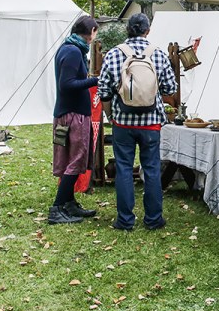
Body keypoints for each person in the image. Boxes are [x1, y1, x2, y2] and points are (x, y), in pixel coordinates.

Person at [96, 13, 178, 232]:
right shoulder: (158, 55)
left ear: (127, 30)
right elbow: (171, 89)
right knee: (151, 169)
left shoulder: (114, 54)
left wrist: (111, 116)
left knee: (123, 168)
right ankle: (153, 219)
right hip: (151, 123)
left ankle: (125, 220)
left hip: (122, 121)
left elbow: (103, 90)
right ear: (147, 31)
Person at [48, 16, 101, 225]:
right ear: (91, 31)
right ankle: (57, 208)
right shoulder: (71, 51)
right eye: (95, 32)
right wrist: (96, 79)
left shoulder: (71, 48)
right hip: (72, 114)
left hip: (70, 112)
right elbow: (67, 84)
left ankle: (69, 203)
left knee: (73, 158)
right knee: (75, 159)